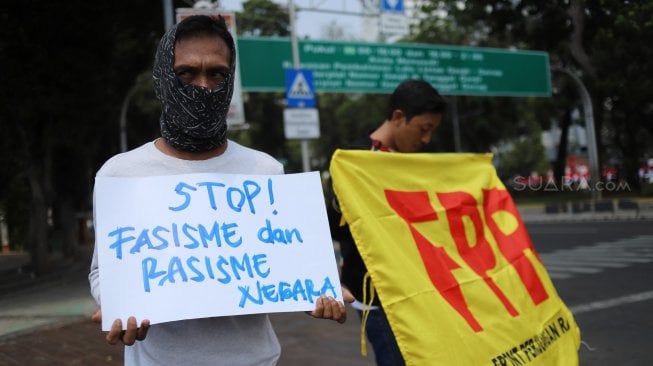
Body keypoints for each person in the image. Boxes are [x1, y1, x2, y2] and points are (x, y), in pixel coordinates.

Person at [89, 15, 352, 366]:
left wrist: (315, 294)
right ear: (164, 78)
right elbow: (101, 270)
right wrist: (118, 305)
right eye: (186, 73)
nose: (203, 86)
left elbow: (285, 268)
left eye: (217, 74)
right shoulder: (120, 173)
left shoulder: (266, 171)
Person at [329, 79, 447, 366]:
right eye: (423, 129)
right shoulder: (354, 161)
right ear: (398, 117)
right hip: (375, 294)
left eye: (431, 131)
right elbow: (334, 226)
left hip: (417, 287)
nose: (426, 140)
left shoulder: (415, 161)